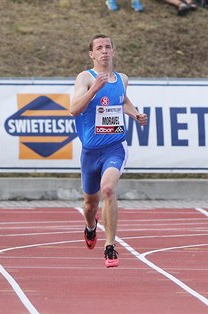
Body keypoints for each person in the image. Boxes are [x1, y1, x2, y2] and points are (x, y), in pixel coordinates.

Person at [69, 34, 148, 268]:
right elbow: (73, 109)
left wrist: (135, 114)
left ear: (113, 51)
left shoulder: (122, 79)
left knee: (108, 189)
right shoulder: (85, 77)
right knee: (89, 204)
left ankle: (110, 246)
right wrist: (95, 89)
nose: (104, 51)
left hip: (115, 147)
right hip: (90, 152)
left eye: (108, 47)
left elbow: (123, 101)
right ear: (91, 54)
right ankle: (91, 226)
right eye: (99, 48)